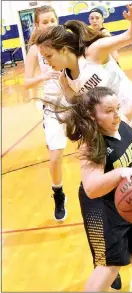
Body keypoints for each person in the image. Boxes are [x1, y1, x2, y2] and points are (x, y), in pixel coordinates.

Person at [34, 0, 132, 288]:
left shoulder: (93, 52)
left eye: (48, 54)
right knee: (120, 185)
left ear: (63, 49)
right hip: (113, 129)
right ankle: (116, 257)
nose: (46, 60)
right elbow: (81, 108)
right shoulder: (67, 78)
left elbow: (131, 37)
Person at [45, 86, 132, 292]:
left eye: (117, 108)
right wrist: (120, 173)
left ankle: (119, 249)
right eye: (109, 111)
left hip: (129, 201)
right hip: (101, 208)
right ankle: (112, 258)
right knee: (109, 265)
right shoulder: (92, 145)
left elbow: (130, 111)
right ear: (92, 116)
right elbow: (91, 188)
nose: (116, 114)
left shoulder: (122, 123)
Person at [24, 5, 67, 221]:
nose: (50, 24)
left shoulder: (69, 38)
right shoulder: (35, 50)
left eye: (52, 20)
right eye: (45, 22)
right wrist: (44, 76)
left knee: (95, 148)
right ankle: (58, 193)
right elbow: (26, 83)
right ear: (37, 25)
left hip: (76, 102)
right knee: (55, 155)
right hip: (52, 105)